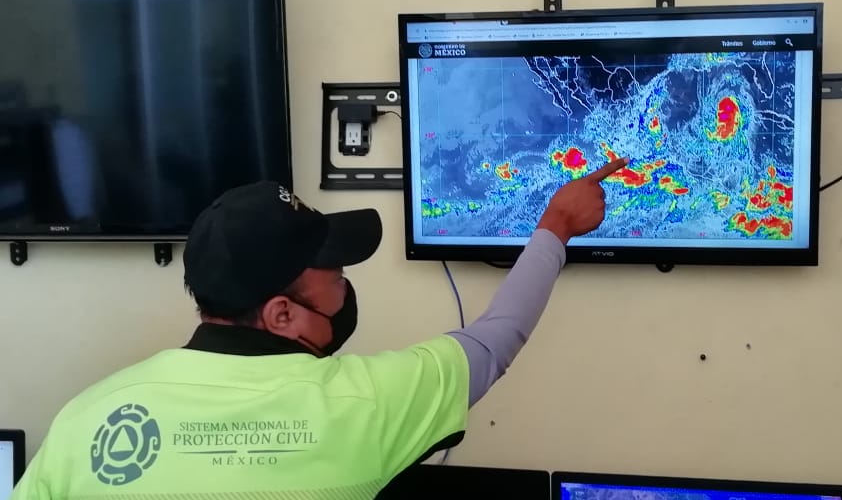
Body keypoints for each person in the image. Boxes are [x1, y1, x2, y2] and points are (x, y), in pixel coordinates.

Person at [11, 157, 628, 499]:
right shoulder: (360, 404)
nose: (345, 283)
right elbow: (498, 338)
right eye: (332, 270)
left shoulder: (87, 419)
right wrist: (556, 225)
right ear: (281, 314)